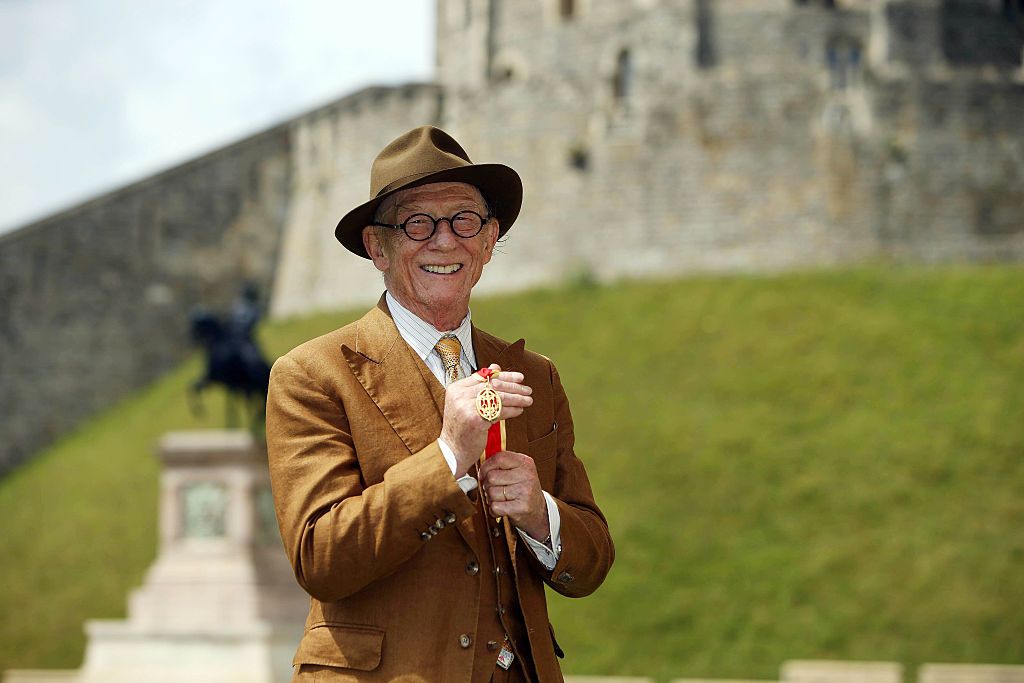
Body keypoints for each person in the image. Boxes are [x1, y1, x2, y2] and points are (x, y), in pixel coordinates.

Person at [266, 126, 614, 682]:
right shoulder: (312, 374)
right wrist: (449, 457)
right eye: (417, 223)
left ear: (489, 240)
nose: (445, 241)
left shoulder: (536, 377)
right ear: (377, 247)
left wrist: (538, 514)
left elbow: (591, 562)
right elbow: (320, 559)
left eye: (465, 221)